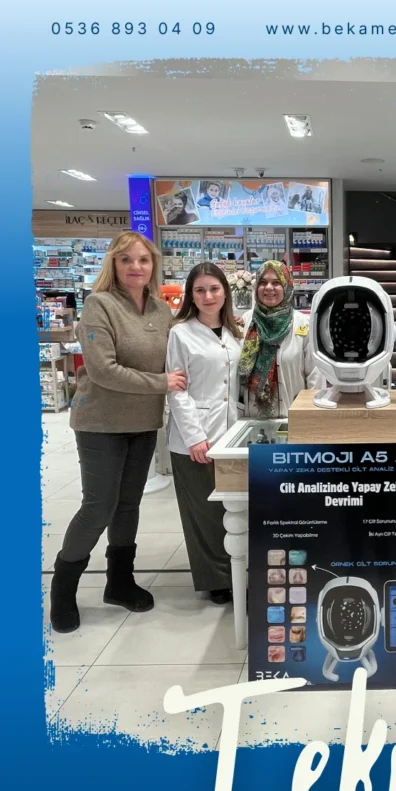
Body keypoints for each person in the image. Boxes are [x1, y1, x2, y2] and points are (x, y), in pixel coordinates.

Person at [50, 232, 186, 634]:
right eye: (126, 259)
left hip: (142, 422)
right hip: (101, 423)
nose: (135, 267)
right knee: (99, 506)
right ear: (113, 264)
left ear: (153, 264)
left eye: (143, 259)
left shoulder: (160, 310)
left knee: (128, 505)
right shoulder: (99, 305)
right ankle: (63, 589)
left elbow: (179, 350)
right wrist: (162, 383)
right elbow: (103, 370)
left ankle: (120, 582)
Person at [166, 263, 243, 605]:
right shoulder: (181, 333)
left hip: (232, 433)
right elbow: (177, 390)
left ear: (225, 291)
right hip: (195, 438)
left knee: (233, 509)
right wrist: (194, 437)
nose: (208, 296)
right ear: (191, 296)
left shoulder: (234, 331)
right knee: (204, 513)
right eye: (200, 290)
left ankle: (238, 572)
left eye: (214, 288)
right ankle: (218, 580)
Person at [239, 260, 325, 419]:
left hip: (293, 417)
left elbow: (315, 375)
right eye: (263, 282)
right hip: (253, 419)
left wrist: (312, 415)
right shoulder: (246, 321)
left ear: (287, 286)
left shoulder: (303, 323)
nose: (269, 287)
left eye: (276, 283)